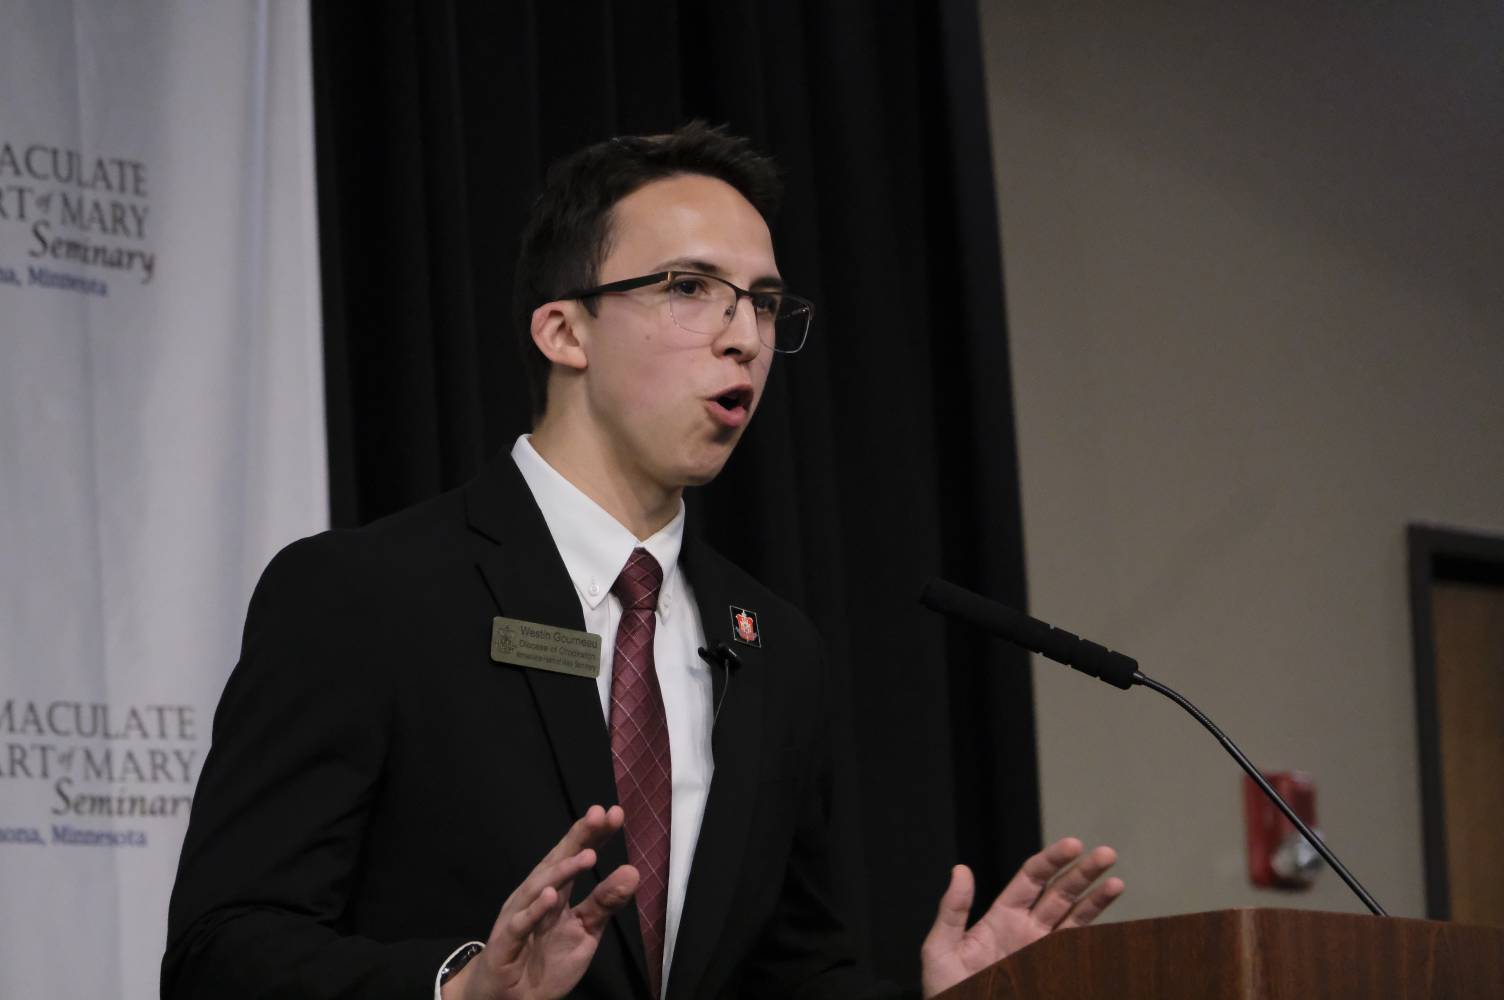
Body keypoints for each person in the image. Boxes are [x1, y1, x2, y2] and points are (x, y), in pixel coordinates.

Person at [162, 123, 1123, 1000]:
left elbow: (791, 973)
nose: (743, 335)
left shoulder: (774, 648)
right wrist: (460, 991)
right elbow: (221, 949)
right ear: (564, 330)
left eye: (764, 303)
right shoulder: (365, 594)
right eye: (690, 288)